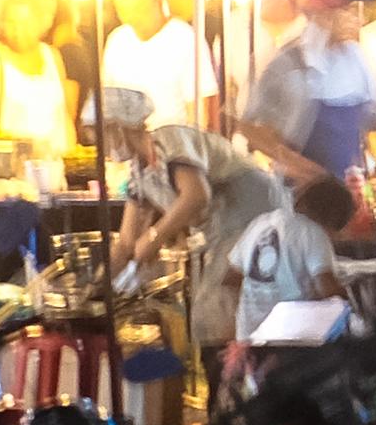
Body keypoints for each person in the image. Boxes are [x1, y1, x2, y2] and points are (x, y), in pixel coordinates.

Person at [105, 88, 288, 359]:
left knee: (217, 308)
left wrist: (154, 237)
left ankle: (231, 386)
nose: (101, 146)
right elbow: (127, 242)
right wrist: (99, 288)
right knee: (209, 314)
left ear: (120, 127)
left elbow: (196, 195)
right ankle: (226, 382)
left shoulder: (171, 141)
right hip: (221, 232)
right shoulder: (138, 174)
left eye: (103, 134)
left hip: (253, 217)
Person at [242, 0, 376, 183]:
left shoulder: (356, 57)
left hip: (347, 187)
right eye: (347, 11)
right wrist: (294, 164)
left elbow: (368, 116)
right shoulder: (288, 63)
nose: (357, 19)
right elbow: (248, 126)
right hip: (299, 191)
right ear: (324, 15)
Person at [223, 171, 361, 348]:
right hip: (291, 338)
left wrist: (257, 302)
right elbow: (327, 290)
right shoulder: (312, 232)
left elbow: (231, 279)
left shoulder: (261, 223)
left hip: (249, 338)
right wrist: (352, 303)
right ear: (333, 217)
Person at [99, 0, 207, 134]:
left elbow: (199, 107)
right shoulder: (117, 40)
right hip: (129, 149)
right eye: (124, 12)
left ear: (155, 1)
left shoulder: (184, 37)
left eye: (139, 10)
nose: (132, 18)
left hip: (172, 148)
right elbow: (108, 99)